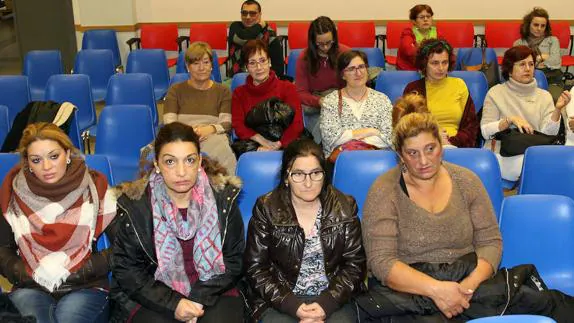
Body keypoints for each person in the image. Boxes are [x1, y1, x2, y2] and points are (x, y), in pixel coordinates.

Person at [360, 107, 574, 322]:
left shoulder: (466, 181)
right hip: (412, 287)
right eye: (412, 153)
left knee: (548, 305)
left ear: (441, 147)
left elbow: (490, 242)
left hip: (468, 281)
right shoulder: (384, 190)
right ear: (400, 155)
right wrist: (437, 291)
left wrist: (466, 288)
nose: (423, 161)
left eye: (430, 148)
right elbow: (382, 261)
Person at [110, 122, 244, 323]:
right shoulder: (135, 205)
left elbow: (234, 260)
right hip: (153, 293)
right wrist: (174, 303)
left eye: (189, 160)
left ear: (199, 161)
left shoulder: (223, 199)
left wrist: (198, 298)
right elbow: (128, 271)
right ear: (156, 164)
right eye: (170, 162)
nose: (181, 172)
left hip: (216, 288)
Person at [0, 123, 117, 323]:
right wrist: (26, 274)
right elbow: (2, 250)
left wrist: (83, 271)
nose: (46, 167)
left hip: (86, 285)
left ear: (68, 154)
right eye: (36, 160)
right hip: (30, 285)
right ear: (27, 162)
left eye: (54, 156)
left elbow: (124, 246)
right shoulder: (12, 194)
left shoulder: (95, 187)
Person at [244, 138, 366, 322]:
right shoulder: (266, 207)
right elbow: (256, 269)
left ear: (324, 175)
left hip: (335, 296)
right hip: (281, 298)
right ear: (287, 177)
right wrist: (293, 306)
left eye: (315, 173)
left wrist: (327, 303)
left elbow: (355, 266)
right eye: (299, 174)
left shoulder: (344, 206)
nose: (308, 183)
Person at [480, 45, 571, 181]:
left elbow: (549, 134)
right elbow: (485, 131)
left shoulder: (544, 96)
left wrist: (557, 110)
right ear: (509, 70)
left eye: (531, 64)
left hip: (535, 153)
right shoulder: (495, 93)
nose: (528, 68)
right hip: (502, 153)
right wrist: (509, 120)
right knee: (540, 169)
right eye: (522, 64)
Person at [164, 41, 237, 175]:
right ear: (187, 67)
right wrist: (189, 132)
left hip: (211, 135)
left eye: (205, 62)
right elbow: (169, 122)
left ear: (211, 66)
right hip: (179, 135)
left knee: (222, 149)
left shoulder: (223, 91)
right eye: (196, 63)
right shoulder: (175, 90)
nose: (201, 68)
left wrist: (209, 129)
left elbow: (226, 123)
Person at [231, 39, 304, 156]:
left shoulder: (288, 88)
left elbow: (297, 124)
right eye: (252, 63)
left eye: (262, 61)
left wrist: (279, 144)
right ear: (246, 67)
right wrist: (261, 141)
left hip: (286, 143)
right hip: (254, 144)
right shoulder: (239, 93)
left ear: (269, 62)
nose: (259, 67)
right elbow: (238, 125)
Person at [404, 39, 479, 148]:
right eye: (435, 63)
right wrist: (434, 139)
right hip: (425, 147)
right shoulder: (413, 89)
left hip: (456, 146)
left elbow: (471, 126)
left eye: (445, 62)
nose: (441, 68)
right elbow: (407, 126)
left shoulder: (459, 84)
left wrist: (451, 142)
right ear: (424, 64)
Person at [320, 50, 393, 159]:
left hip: (377, 159)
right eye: (351, 69)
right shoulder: (331, 101)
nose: (358, 73)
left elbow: (389, 137)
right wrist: (370, 131)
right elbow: (331, 139)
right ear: (342, 75)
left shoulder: (382, 99)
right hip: (342, 161)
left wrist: (351, 139)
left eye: (361, 67)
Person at [295, 16, 350, 142]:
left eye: (329, 43)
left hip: (341, 101)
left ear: (334, 39)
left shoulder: (345, 53)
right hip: (315, 104)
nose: (325, 47)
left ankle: (316, 146)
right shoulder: (304, 58)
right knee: (323, 124)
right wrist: (319, 101)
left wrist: (337, 100)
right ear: (312, 41)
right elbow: (301, 93)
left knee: (329, 124)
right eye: (320, 44)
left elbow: (353, 85)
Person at [227, 0, 284, 78]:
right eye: (244, 13)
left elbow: (278, 68)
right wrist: (260, 25)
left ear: (260, 15)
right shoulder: (235, 27)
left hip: (263, 78)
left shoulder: (269, 34)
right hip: (239, 77)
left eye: (252, 13)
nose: (248, 17)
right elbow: (244, 38)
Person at [513, 7, 563, 87]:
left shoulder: (553, 40)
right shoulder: (518, 43)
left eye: (543, 26)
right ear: (528, 25)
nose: (539, 29)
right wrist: (543, 57)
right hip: (526, 81)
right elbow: (518, 66)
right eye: (536, 25)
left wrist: (532, 61)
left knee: (555, 98)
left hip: (551, 79)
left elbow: (556, 62)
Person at [397, 4, 443, 71]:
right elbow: (410, 52)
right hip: (409, 70)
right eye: (421, 17)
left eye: (428, 16)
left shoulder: (437, 32)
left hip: (432, 69)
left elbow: (445, 50)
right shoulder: (408, 33)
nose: (425, 19)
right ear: (414, 21)